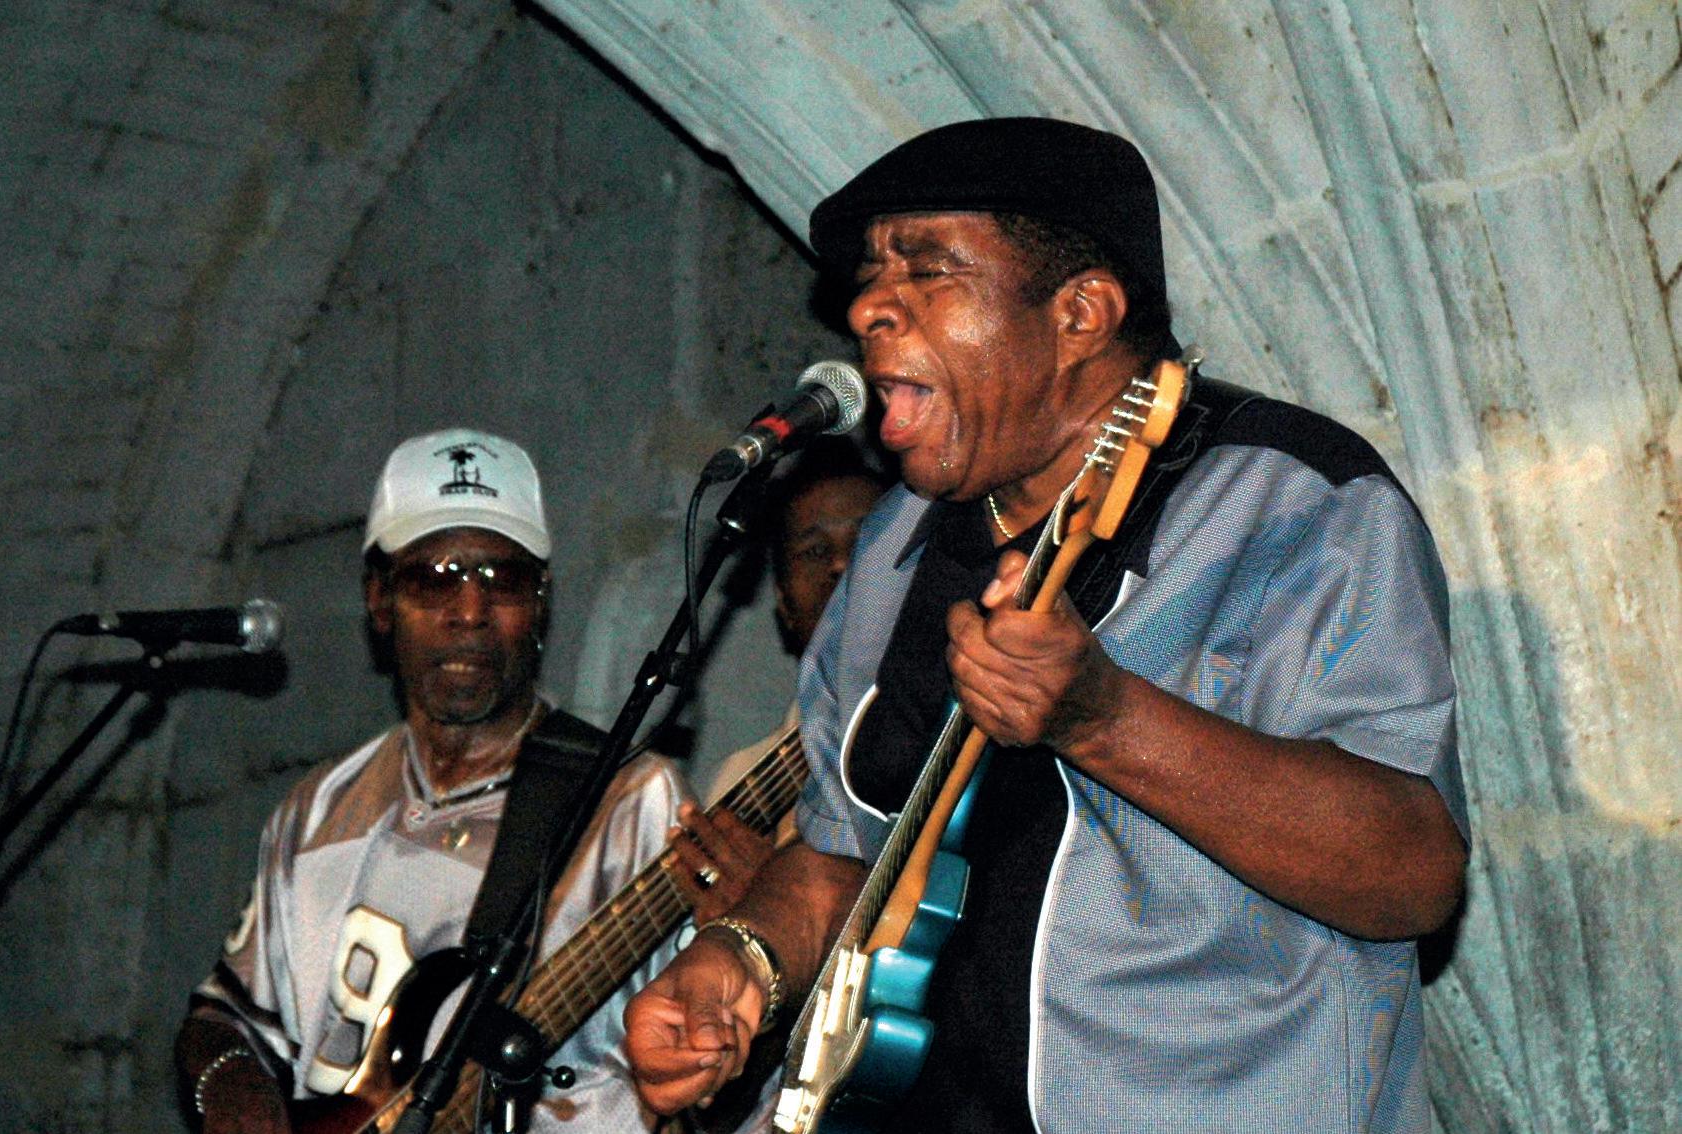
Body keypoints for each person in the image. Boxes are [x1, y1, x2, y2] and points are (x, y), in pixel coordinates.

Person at [623, 117, 1470, 1132]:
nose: (866, 307)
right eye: (870, 275)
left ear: (1081, 314)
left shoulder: (1292, 505)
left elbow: (1413, 871)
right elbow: (843, 854)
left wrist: (1104, 719)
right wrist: (741, 961)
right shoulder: (893, 545)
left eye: (926, 269)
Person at [176, 428, 693, 1133]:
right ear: (379, 600)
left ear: (540, 604)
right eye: (434, 578)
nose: (470, 612)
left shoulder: (630, 800)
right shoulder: (318, 809)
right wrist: (232, 1085)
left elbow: (706, 1065)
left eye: (501, 579)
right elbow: (227, 1017)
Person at [656, 439, 890, 1133]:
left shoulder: (962, 739)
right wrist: (735, 940)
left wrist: (787, 908)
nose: (843, 566)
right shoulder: (742, 781)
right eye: (815, 552)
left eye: (868, 541)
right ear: (783, 605)